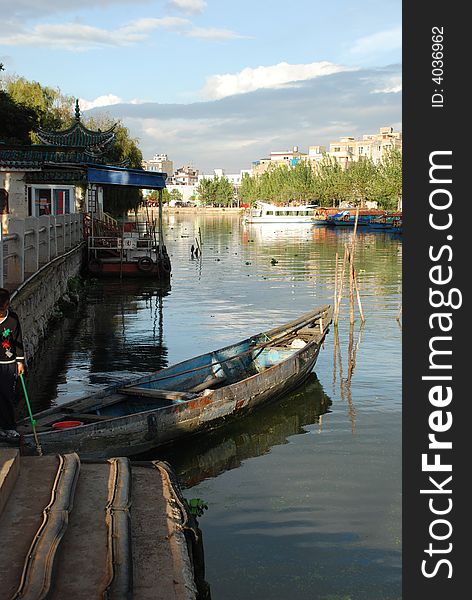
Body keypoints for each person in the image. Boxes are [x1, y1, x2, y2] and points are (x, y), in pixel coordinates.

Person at [0, 288, 25, 439]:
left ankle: (9, 426)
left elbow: (18, 341)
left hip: (8, 363)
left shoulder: (12, 319)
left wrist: (20, 362)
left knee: (7, 396)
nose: (1, 312)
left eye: (3, 308)